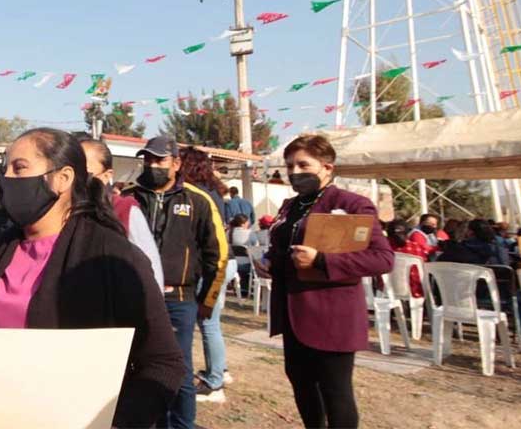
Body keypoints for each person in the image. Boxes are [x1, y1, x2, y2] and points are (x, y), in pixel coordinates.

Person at [0, 128, 184, 428]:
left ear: (62, 178)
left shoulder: (114, 258)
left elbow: (163, 363)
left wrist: (118, 422)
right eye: (5, 169)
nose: (7, 179)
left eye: (20, 168)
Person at [259, 134, 393, 429]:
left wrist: (322, 260)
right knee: (302, 385)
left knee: (336, 392)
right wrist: (270, 261)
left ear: (327, 168)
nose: (294, 172)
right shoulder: (289, 206)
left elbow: (382, 259)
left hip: (333, 316)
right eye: (290, 165)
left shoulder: (353, 204)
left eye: (303, 164)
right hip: (293, 313)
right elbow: (284, 248)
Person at [125, 136, 229, 424]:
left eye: (159, 159)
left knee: (178, 368)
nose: (152, 165)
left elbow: (217, 254)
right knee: (136, 367)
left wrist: (208, 299)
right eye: (147, 159)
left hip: (179, 299)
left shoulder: (198, 200)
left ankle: (183, 424)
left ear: (176, 163)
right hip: (135, 298)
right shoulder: (128, 198)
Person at [79, 136, 164, 292]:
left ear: (106, 175)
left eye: (85, 172)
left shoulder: (123, 209)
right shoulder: (53, 210)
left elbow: (151, 269)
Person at [439, 219, 509, 266]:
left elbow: (438, 264)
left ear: (470, 232)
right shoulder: (497, 248)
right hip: (490, 285)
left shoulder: (456, 250)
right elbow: (504, 264)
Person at [386, 219, 425, 298]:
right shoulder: (417, 248)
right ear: (407, 233)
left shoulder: (383, 249)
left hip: (388, 291)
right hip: (415, 291)